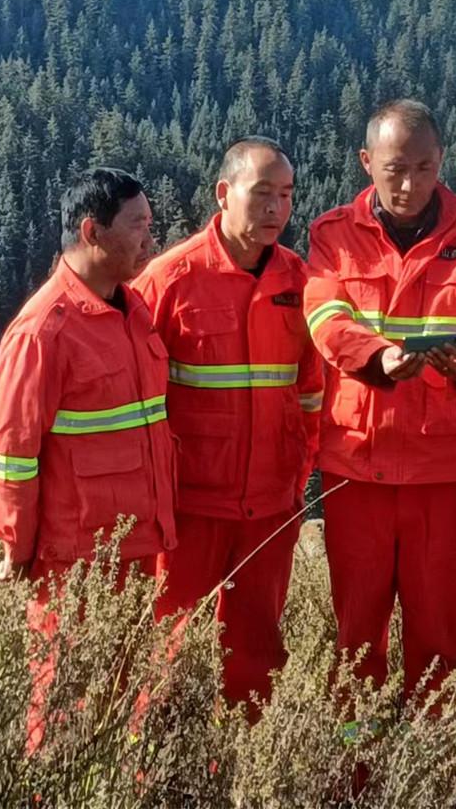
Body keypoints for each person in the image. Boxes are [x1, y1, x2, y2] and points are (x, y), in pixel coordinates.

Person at [303, 100, 456, 739]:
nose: (409, 184)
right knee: (356, 636)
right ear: (366, 162)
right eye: (395, 169)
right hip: (358, 470)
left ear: (442, 161)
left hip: (443, 473)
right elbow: (325, 319)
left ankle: (427, 766)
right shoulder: (332, 235)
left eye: (424, 168)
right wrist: (378, 358)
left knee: (436, 636)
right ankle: (357, 770)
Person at [0, 168, 176, 754]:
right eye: (138, 226)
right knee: (66, 703)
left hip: (139, 546)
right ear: (92, 232)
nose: (150, 239)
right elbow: (13, 452)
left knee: (133, 703)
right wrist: (16, 545)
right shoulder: (43, 330)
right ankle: (53, 790)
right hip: (75, 560)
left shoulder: (133, 310)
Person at [133, 137, 323, 713]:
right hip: (188, 511)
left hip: (269, 508)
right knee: (167, 651)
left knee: (256, 654)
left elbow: (312, 393)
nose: (275, 209)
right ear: (223, 193)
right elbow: (135, 398)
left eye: (286, 195)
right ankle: (157, 759)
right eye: (262, 193)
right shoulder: (170, 280)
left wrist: (295, 481)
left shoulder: (300, 283)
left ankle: (244, 759)